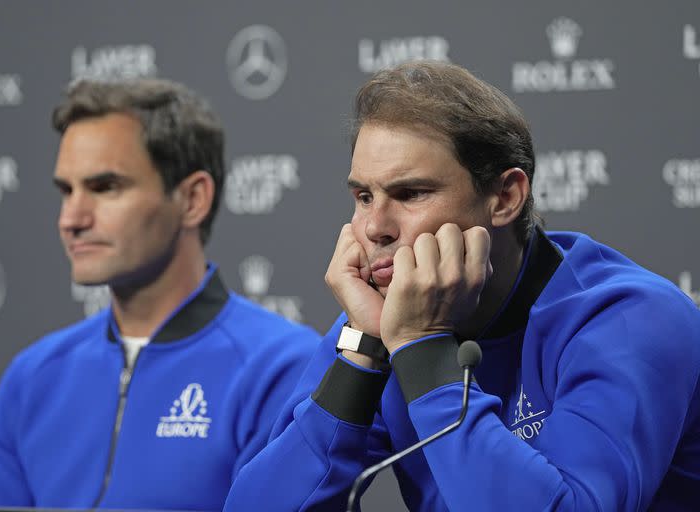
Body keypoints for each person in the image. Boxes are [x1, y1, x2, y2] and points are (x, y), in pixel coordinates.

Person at [223, 61, 700, 511]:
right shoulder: (384, 322)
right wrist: (363, 351)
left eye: (410, 194)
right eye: (364, 196)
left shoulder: (632, 317)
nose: (375, 227)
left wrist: (423, 350)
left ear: (505, 197)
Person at [0, 78, 320, 510]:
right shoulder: (33, 377)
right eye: (66, 191)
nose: (71, 219)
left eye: (105, 187)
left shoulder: (282, 368)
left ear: (192, 199)